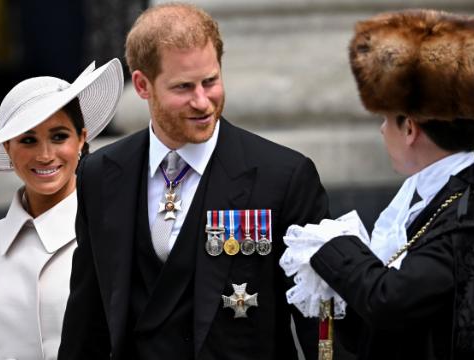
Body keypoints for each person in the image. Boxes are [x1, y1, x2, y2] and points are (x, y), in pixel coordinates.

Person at [58, 3, 329, 360]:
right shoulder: (100, 173)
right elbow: (86, 318)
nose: (203, 101)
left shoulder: (284, 176)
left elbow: (320, 317)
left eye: (211, 81)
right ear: (142, 85)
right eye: (184, 87)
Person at [284, 9, 474, 360]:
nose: (381, 130)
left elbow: (390, 300)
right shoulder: (456, 195)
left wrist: (333, 247)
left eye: (386, 119)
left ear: (410, 129)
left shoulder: (472, 214)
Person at [0, 58, 123, 360]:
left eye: (59, 136)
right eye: (28, 140)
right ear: (8, 149)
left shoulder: (113, 230)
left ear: (82, 139)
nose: (45, 155)